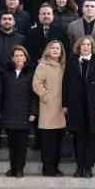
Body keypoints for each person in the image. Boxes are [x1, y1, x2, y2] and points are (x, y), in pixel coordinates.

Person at [64, 35, 95, 177]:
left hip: (93, 106)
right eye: (83, 45)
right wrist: (65, 104)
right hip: (76, 105)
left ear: (92, 47)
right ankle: (79, 167)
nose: (86, 47)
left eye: (88, 45)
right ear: (79, 47)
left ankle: (88, 168)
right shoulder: (71, 61)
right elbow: (65, 84)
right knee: (78, 137)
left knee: (91, 137)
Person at [0, 46, 38, 177]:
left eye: (21, 55)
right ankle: (13, 168)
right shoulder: (5, 73)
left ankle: (20, 169)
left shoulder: (31, 73)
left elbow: (34, 95)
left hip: (24, 113)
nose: (19, 58)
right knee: (12, 144)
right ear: (12, 58)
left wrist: (33, 112)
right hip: (9, 112)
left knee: (21, 144)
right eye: (16, 55)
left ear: (25, 58)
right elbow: (0, 92)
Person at [32, 38, 67, 176]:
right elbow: (36, 84)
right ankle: (48, 169)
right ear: (48, 50)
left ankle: (55, 168)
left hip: (61, 109)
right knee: (48, 143)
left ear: (61, 52)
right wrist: (46, 96)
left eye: (57, 48)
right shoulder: (43, 65)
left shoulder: (64, 65)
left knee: (58, 141)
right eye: (52, 48)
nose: (55, 50)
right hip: (48, 108)